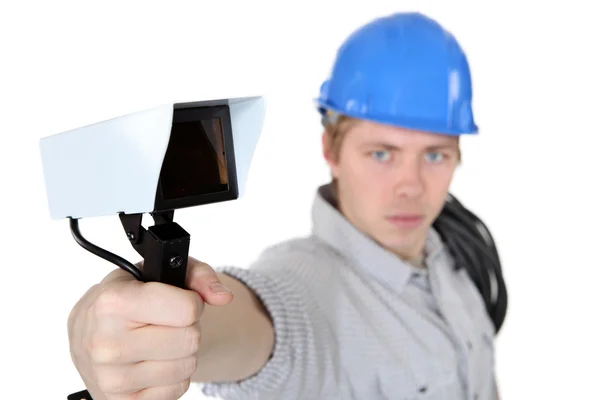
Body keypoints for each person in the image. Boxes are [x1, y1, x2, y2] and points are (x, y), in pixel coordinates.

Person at [67, 12, 508, 400]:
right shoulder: (305, 286)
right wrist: (152, 331)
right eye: (381, 153)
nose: (411, 186)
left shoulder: (454, 256)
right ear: (331, 151)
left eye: (435, 154)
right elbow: (255, 326)